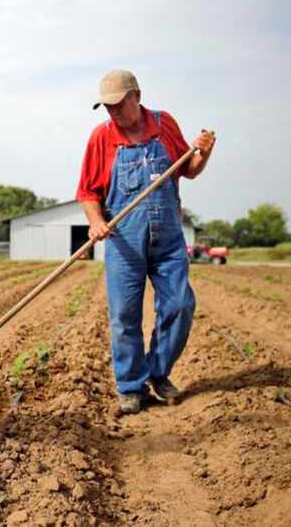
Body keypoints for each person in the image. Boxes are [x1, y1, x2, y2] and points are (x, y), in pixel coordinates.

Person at [76, 70, 216, 414]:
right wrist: (96, 222)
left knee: (180, 305)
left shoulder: (164, 124)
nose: (112, 112)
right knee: (124, 315)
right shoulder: (101, 137)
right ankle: (130, 387)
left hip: (168, 238)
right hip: (125, 241)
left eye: (117, 104)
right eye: (106, 107)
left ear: (136, 95)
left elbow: (190, 168)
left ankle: (158, 372)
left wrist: (203, 152)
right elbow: (87, 191)